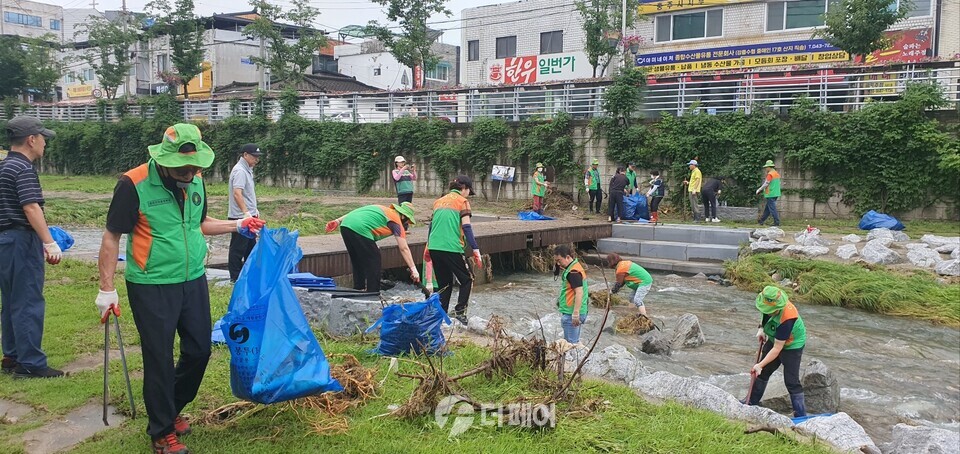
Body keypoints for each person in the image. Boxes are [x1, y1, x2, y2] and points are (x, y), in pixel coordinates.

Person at [95, 123, 266, 454]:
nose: (191, 171)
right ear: (166, 159)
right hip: (152, 283)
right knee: (158, 356)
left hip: (192, 277)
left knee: (200, 349)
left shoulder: (196, 178)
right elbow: (111, 235)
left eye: (195, 166)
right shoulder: (133, 184)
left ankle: (169, 408)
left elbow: (200, 223)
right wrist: (106, 288)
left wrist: (238, 224)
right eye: (184, 167)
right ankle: (161, 431)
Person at [0, 116, 64, 379]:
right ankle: (30, 364)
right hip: (21, 240)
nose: (45, 143)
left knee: (11, 299)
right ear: (31, 140)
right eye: (43, 138)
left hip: (4, 241)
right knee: (28, 300)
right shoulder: (23, 169)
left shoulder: (4, 167)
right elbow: (30, 207)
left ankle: (12, 356)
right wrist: (49, 241)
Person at [326, 202, 420, 293]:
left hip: (346, 225)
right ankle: (373, 293)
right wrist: (414, 270)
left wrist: (338, 221)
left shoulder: (381, 209)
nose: (407, 223)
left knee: (357, 260)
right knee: (375, 260)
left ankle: (359, 288)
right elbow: (404, 248)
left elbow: (356, 212)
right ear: (403, 216)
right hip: (360, 229)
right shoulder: (396, 222)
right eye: (408, 220)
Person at [426, 176, 483, 324]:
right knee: (467, 279)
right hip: (451, 248)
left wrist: (427, 246)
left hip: (434, 247)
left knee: (444, 283)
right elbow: (467, 226)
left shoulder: (439, 201)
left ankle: (441, 314)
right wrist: (475, 248)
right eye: (468, 191)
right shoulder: (462, 202)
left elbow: (432, 226)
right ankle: (460, 312)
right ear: (464, 188)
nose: (468, 195)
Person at [745, 285, 807, 418]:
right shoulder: (769, 306)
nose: (767, 311)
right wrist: (761, 328)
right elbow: (765, 313)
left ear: (777, 307)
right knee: (763, 373)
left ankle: (801, 416)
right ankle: (751, 402)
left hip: (792, 345)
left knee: (791, 381)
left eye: (770, 310)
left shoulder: (788, 318)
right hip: (775, 338)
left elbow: (777, 349)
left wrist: (759, 364)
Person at [227, 143, 263, 282]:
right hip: (240, 217)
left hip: (249, 215)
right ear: (245, 155)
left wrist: (254, 211)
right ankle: (235, 278)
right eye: (254, 157)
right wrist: (246, 213)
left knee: (250, 247)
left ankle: (247, 276)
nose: (256, 160)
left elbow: (248, 194)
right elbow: (237, 193)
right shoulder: (240, 171)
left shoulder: (247, 169)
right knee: (238, 248)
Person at [554, 244, 588, 344]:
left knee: (570, 345)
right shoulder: (574, 267)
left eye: (559, 260)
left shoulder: (573, 272)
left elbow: (579, 292)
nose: (558, 264)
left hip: (572, 313)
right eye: (556, 261)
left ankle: (574, 360)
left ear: (568, 257)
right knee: (573, 343)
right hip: (574, 311)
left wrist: (576, 313)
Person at [756, 160, 781, 227]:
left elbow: (766, 183)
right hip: (776, 193)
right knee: (768, 208)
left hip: (770, 193)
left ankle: (777, 222)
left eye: (766, 167)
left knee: (772, 209)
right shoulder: (776, 173)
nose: (766, 169)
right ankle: (761, 220)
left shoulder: (770, 174)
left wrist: (759, 189)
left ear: (769, 167)